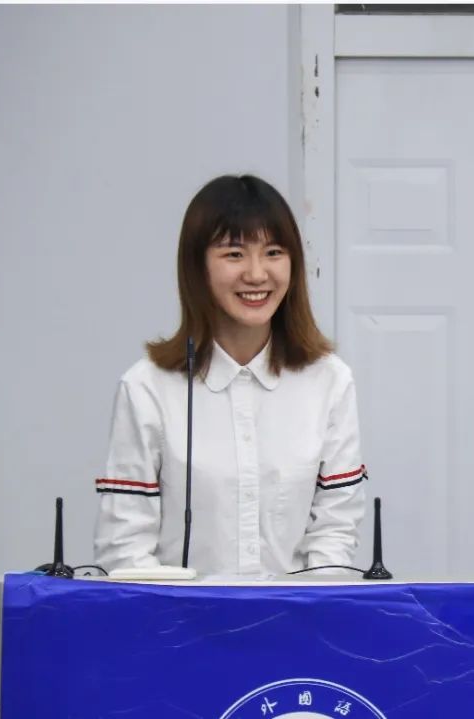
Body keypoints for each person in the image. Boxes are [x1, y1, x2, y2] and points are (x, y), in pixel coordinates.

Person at [93, 175, 367, 577]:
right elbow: (124, 548)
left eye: (273, 252)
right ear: (197, 267)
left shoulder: (330, 381)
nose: (256, 274)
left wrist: (305, 606)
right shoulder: (146, 388)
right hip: (177, 617)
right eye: (234, 254)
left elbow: (335, 533)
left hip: (296, 615)